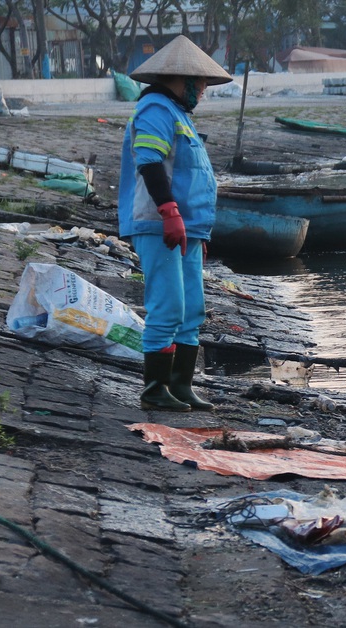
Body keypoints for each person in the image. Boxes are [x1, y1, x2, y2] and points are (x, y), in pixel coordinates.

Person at [118, 35, 232, 412]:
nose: (203, 90)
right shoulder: (155, 109)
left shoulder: (178, 113)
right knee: (167, 306)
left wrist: (196, 230)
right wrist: (169, 213)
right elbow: (149, 163)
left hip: (189, 230)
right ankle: (154, 389)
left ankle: (181, 386)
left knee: (192, 309)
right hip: (159, 225)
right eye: (200, 83)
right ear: (180, 80)